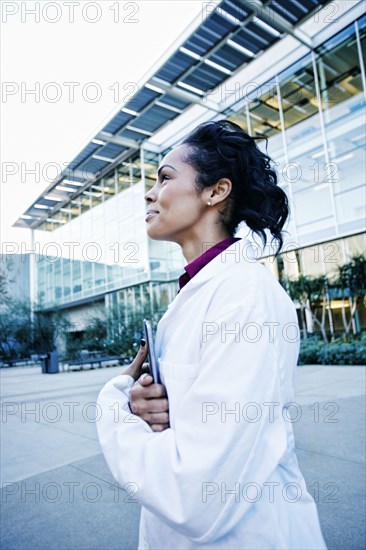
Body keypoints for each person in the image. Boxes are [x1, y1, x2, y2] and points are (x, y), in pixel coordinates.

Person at [96, 120, 327, 549]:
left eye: (165, 178)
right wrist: (144, 403)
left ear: (215, 192)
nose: (150, 193)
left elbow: (195, 497)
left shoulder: (244, 297)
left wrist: (113, 405)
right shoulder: (196, 295)